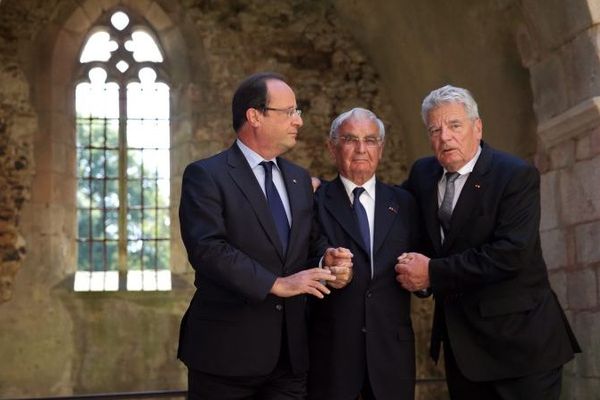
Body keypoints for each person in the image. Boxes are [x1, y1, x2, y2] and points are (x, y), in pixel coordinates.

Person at [395, 85, 581, 399]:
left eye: (455, 125)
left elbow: (510, 254)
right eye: (435, 129)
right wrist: (325, 191)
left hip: (522, 348)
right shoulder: (423, 174)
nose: (445, 137)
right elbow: (393, 212)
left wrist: (433, 273)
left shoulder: (515, 175)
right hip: (463, 350)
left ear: (477, 127)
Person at [178, 72, 353, 400]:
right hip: (225, 355)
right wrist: (276, 284)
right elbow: (208, 249)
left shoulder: (299, 178)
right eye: (289, 112)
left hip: (289, 358)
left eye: (298, 112)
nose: (298, 121)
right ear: (254, 116)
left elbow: (309, 241)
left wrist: (325, 259)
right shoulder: (206, 175)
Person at [308, 108, 420, 400]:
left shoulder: (405, 203)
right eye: (350, 139)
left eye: (370, 140)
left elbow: (423, 267)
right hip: (331, 356)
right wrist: (325, 266)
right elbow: (302, 256)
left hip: (391, 358)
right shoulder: (314, 200)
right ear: (332, 147)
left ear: (380, 148)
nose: (361, 149)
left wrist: (424, 279)